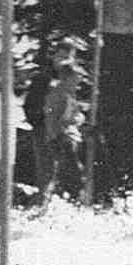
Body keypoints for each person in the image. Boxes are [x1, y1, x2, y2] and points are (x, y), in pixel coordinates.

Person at [34, 40, 88, 207]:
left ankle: (66, 204)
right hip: (47, 132)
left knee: (68, 171)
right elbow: (37, 107)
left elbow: (75, 109)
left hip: (64, 134)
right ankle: (44, 205)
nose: (64, 60)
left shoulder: (72, 82)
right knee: (49, 172)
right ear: (54, 56)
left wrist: (79, 118)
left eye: (68, 57)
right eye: (61, 56)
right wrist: (44, 126)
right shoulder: (45, 79)